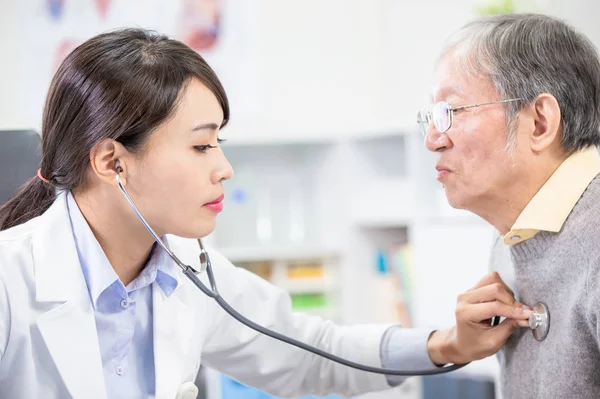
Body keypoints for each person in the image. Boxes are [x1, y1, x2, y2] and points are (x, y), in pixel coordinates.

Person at [0, 28, 531, 399]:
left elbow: (311, 351)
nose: (225, 169)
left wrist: (448, 345)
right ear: (113, 161)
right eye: (202, 146)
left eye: (219, 143)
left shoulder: (187, 272)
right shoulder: (10, 283)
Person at [420, 12, 600, 399]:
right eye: (432, 118)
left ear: (539, 122)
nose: (432, 140)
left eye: (450, 113)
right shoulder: (513, 235)